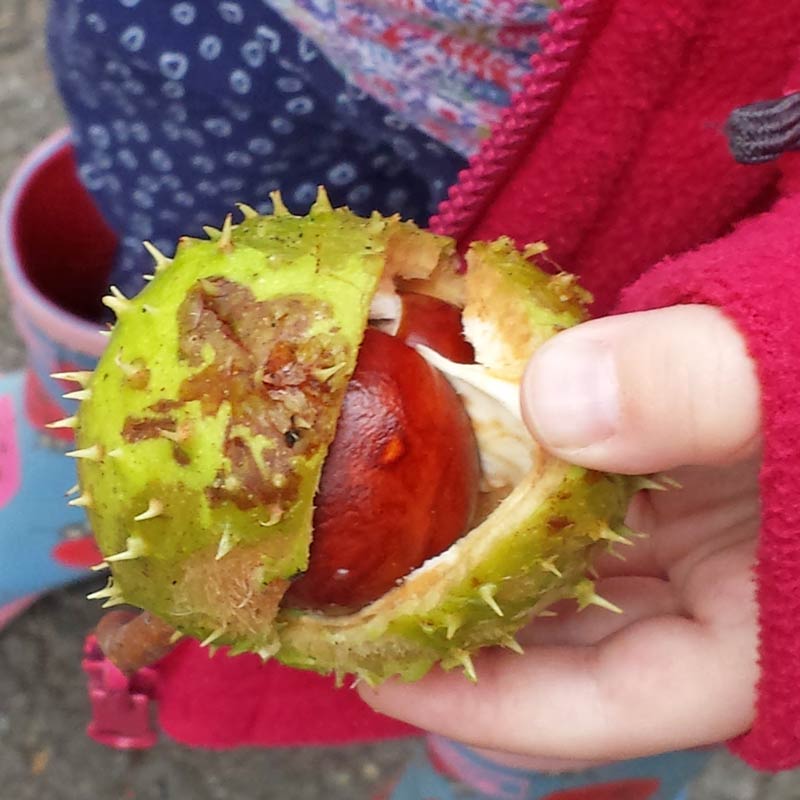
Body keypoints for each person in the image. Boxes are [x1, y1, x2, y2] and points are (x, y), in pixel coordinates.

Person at [1, 1, 800, 798]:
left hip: (681, 179)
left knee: (583, 678)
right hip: (230, 50)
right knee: (151, 315)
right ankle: (65, 481)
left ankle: (528, 770)